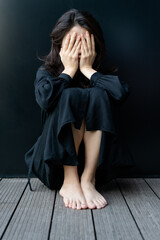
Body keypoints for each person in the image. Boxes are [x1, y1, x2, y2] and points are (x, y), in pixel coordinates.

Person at [24, 9, 135, 210]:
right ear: (60, 44)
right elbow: (45, 101)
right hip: (53, 164)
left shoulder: (98, 76)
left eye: (84, 42)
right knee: (70, 94)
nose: (79, 48)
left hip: (98, 168)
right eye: (73, 42)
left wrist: (88, 71)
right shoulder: (47, 74)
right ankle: (70, 180)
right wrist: (68, 72)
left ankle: (87, 180)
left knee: (97, 94)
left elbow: (120, 94)